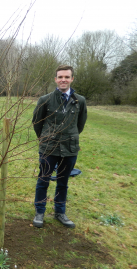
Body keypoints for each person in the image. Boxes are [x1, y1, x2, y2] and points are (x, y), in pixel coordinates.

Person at [32, 65, 87, 229]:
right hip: (49, 148)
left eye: (67, 77)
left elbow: (80, 124)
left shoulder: (80, 101)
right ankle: (40, 211)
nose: (64, 80)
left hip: (70, 149)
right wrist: (46, 139)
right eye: (60, 77)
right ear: (56, 79)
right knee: (44, 180)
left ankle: (60, 212)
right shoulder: (45, 100)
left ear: (72, 79)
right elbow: (37, 123)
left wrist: (70, 137)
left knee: (63, 182)